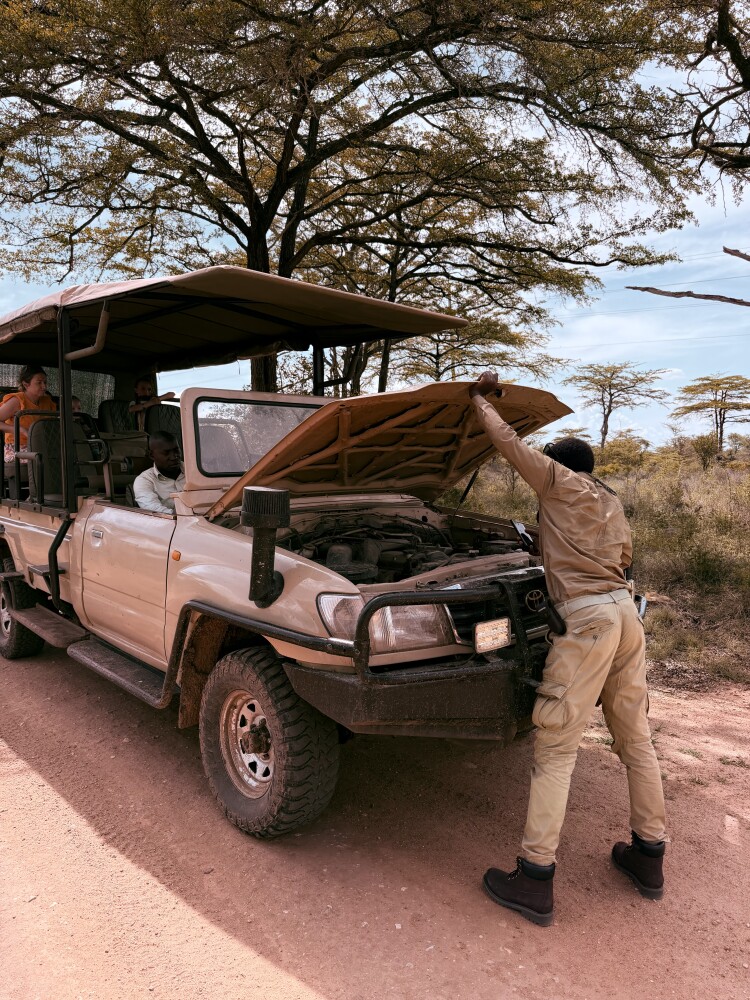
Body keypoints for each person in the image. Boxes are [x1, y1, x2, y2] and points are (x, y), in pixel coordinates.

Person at [469, 371, 667, 927]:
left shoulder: (555, 481)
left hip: (587, 622)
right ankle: (648, 856)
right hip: (625, 614)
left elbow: (508, 442)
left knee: (556, 746)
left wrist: (479, 399)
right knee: (636, 739)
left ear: (557, 464)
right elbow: (621, 560)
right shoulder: (611, 500)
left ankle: (535, 878)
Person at [0, 365, 57, 464]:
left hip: (42, 445)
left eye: (45, 382)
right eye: (39, 383)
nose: (44, 386)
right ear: (26, 384)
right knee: (41, 460)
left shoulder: (47, 401)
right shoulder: (17, 401)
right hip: (17, 448)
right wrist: (20, 430)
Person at [133, 431, 185, 514]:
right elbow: (154, 510)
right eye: (166, 453)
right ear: (151, 455)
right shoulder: (144, 480)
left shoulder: (196, 472)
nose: (174, 457)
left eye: (176, 450)